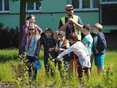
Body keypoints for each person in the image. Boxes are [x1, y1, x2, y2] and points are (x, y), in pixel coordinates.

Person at [58, 4, 84, 75]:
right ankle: (70, 76)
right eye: (69, 10)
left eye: (72, 9)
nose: (71, 11)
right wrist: (68, 22)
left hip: (77, 42)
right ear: (66, 11)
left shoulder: (77, 18)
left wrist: (74, 22)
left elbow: (81, 28)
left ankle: (79, 76)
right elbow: (60, 30)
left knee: (78, 59)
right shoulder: (62, 19)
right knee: (69, 60)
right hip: (67, 42)